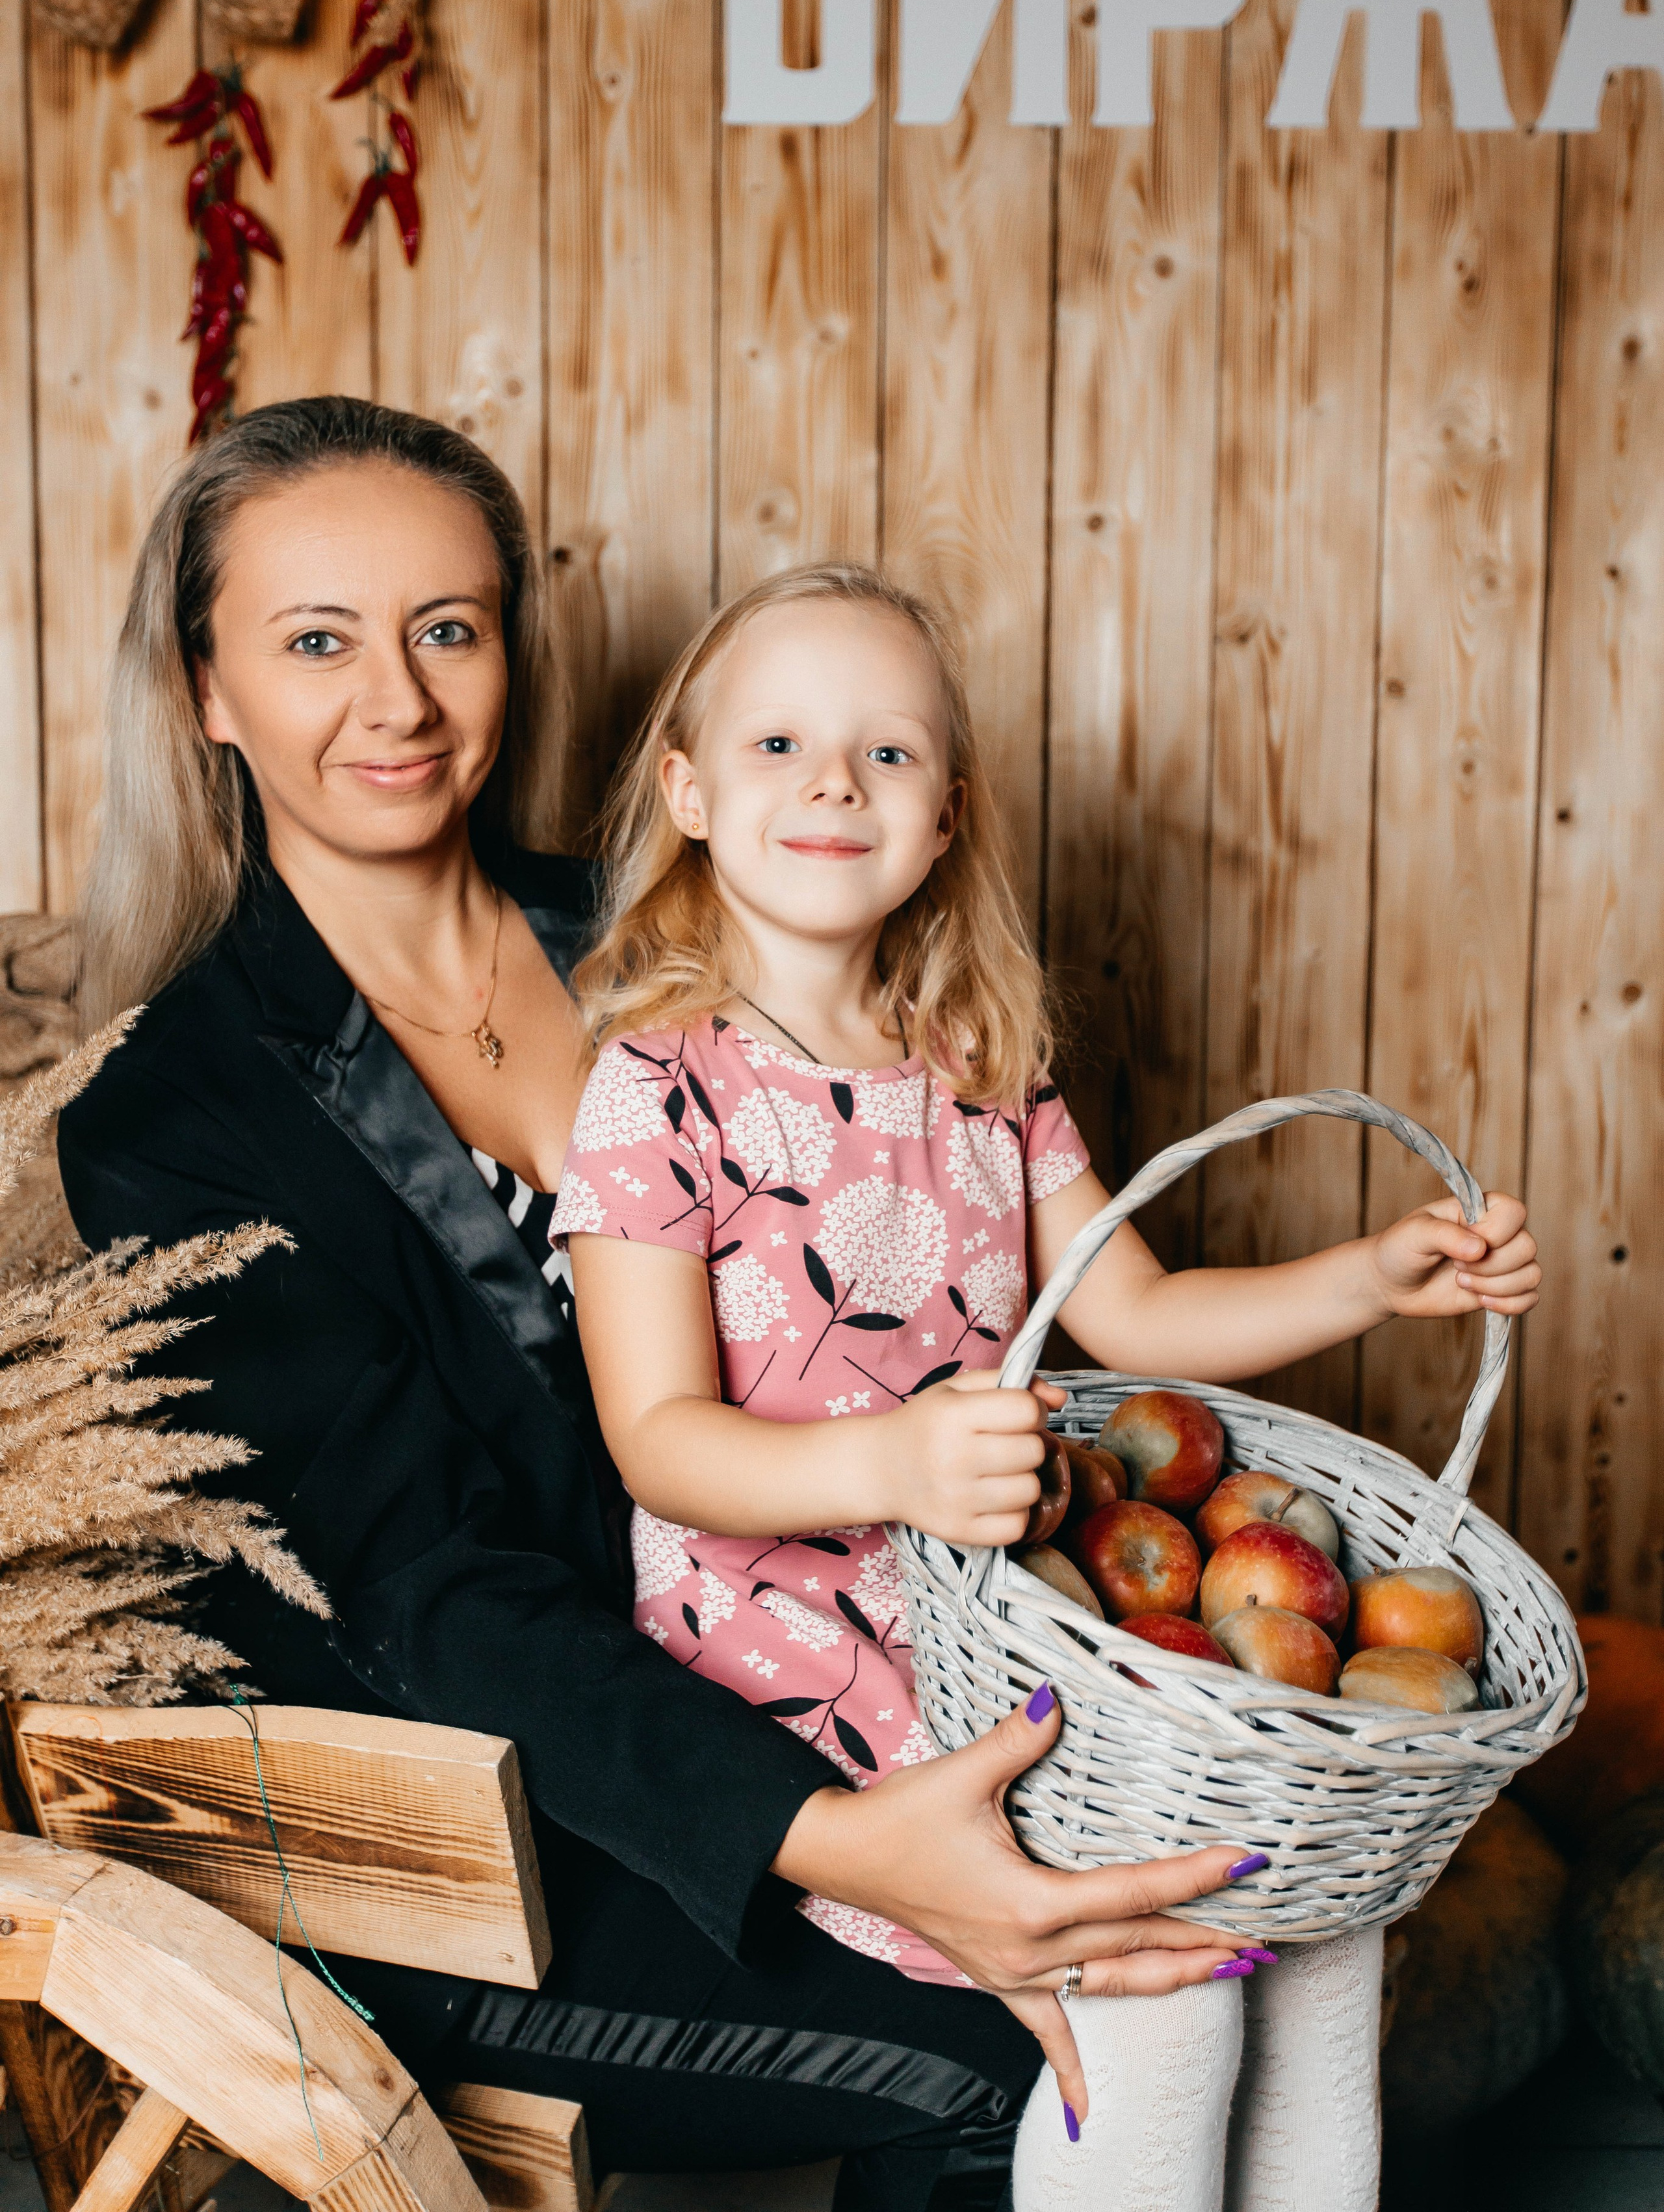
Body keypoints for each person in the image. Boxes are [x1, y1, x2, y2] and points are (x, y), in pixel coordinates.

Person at [60, 398, 1276, 2212]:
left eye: (447, 629)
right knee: (1025, 2053)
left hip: (845, 1690)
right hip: (495, 1842)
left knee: (1223, 1953)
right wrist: (840, 1843)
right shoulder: (171, 1119)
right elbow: (420, 1595)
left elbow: (970, 1228)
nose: (397, 700)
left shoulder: (686, 927)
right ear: (203, 692)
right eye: (316, 641)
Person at [556, 564, 1544, 2212]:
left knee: (1318, 1931)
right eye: (781, 743)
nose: (833, 784)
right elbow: (656, 1444)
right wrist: (893, 1462)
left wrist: (1370, 1277)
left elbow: (1137, 1311)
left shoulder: (979, 1067)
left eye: (886, 753)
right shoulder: (658, 1089)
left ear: (945, 813)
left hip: (1015, 1608)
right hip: (804, 1654)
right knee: (1159, 1984)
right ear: (687, 792)